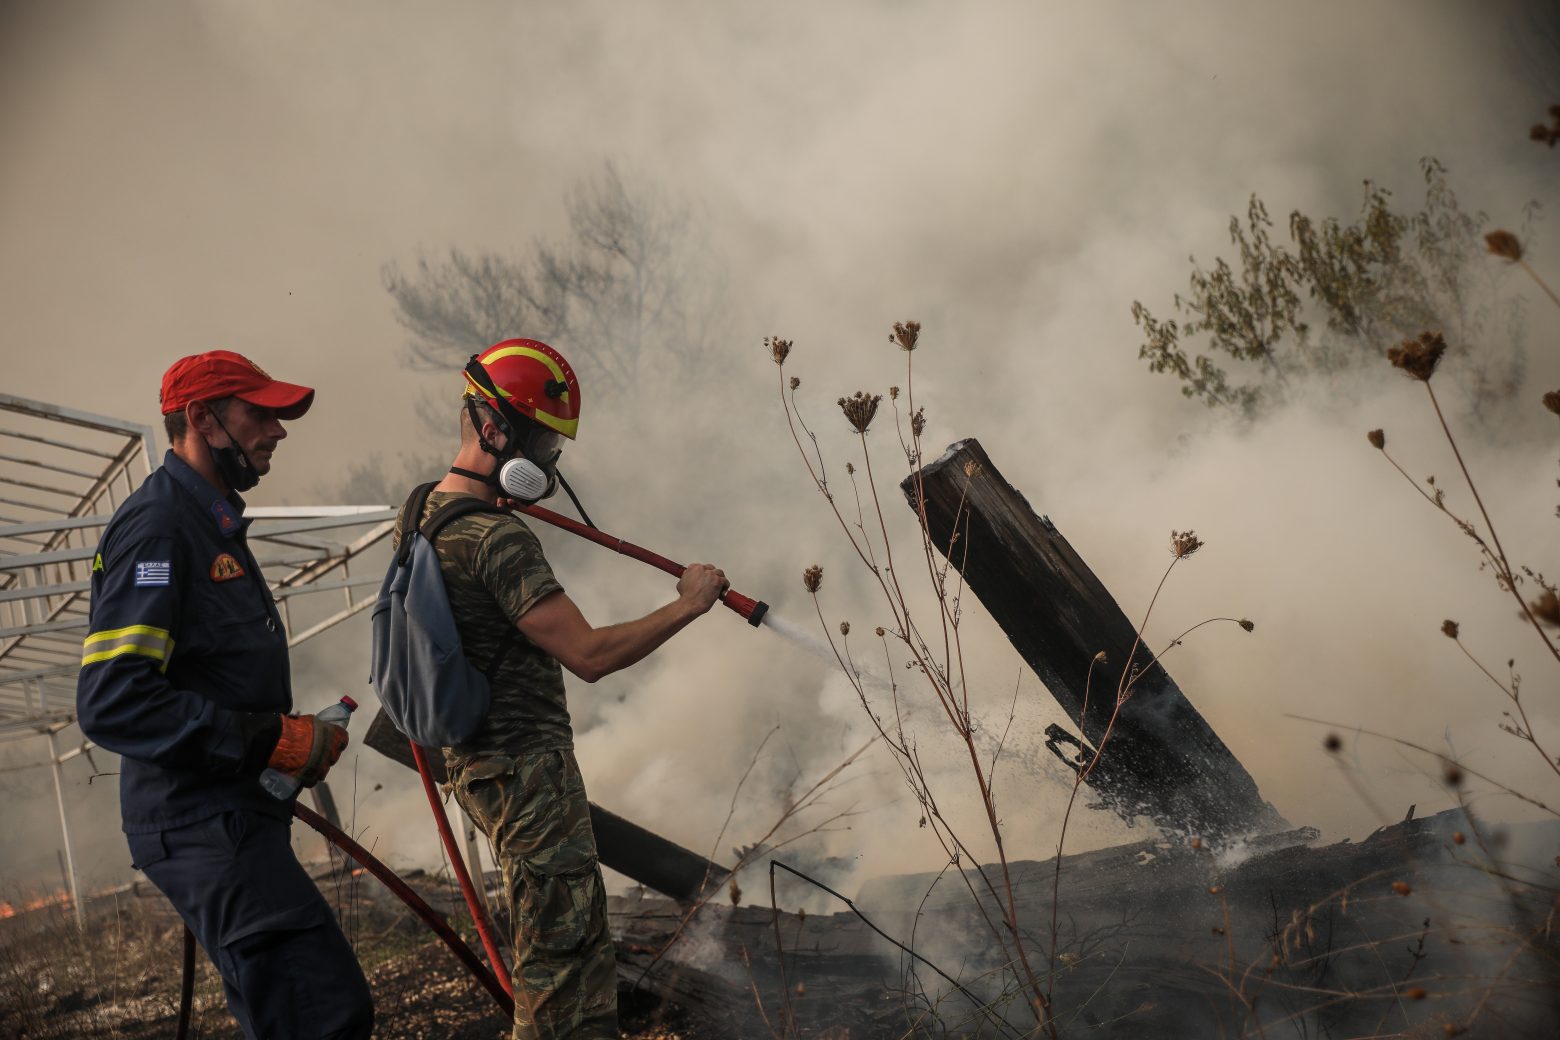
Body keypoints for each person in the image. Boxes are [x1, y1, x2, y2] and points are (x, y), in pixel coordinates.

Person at [398, 338, 726, 1039]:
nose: (549, 461)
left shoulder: (423, 511)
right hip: (527, 778)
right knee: (561, 979)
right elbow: (589, 654)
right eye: (544, 439)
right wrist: (687, 605)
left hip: (484, 770)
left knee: (563, 964)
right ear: (495, 430)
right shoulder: (494, 538)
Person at [76, 350, 374, 1040]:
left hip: (225, 819)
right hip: (202, 825)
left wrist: (286, 742)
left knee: (300, 1013)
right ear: (201, 418)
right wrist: (272, 739)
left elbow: (208, 676)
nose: (278, 430)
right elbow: (113, 699)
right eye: (260, 412)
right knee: (322, 1015)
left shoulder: (205, 523)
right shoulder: (158, 529)